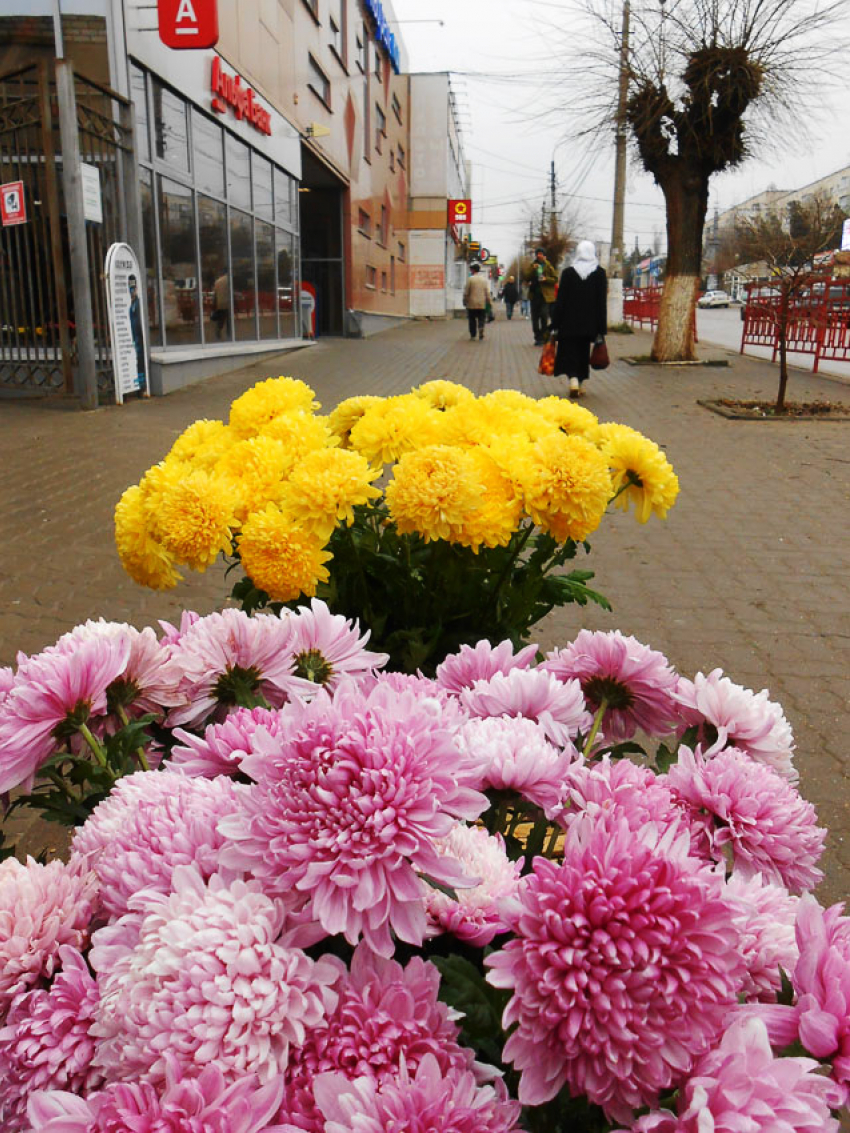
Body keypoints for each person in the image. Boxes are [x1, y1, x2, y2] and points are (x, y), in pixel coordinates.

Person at [551, 239, 608, 399]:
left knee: (569, 351)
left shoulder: (568, 273)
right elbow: (601, 302)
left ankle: (574, 380)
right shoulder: (599, 273)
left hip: (569, 322)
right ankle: (581, 383)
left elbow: (561, 300)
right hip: (590, 323)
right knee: (583, 352)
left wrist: (555, 323)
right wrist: (601, 328)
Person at [525, 248, 558, 345]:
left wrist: (545, 279)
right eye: (537, 254)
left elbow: (555, 279)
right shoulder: (533, 265)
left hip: (545, 296)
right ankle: (537, 337)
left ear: (544, 255)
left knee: (544, 316)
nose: (539, 255)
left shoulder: (548, 266)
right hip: (534, 296)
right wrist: (532, 269)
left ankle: (544, 336)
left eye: (540, 254)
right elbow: (526, 277)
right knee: (535, 318)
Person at [463, 262, 490, 341]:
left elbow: (466, 292)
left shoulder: (470, 279)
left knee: (472, 319)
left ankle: (473, 335)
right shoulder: (484, 280)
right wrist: (489, 302)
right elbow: (487, 292)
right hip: (482, 303)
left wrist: (465, 300)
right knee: (481, 318)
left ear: (473, 270)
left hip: (472, 304)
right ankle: (481, 328)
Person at [212, 271, 230, 340]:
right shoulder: (229, 280)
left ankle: (218, 333)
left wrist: (214, 303)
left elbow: (215, 294)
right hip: (228, 303)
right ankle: (229, 335)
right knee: (229, 320)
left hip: (220, 303)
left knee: (221, 320)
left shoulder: (217, 281)